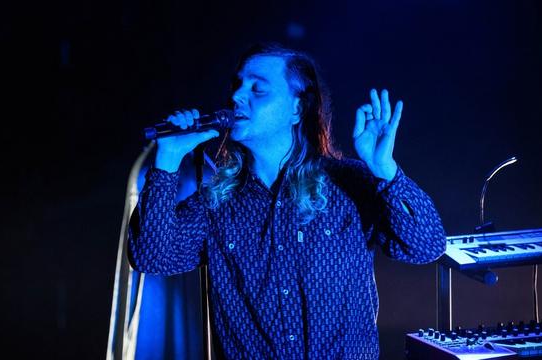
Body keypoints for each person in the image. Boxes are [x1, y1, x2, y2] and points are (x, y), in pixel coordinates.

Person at [128, 43, 446, 359]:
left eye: (258, 89)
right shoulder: (218, 202)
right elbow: (151, 258)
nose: (238, 96)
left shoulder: (348, 184)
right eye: (238, 85)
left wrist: (385, 172)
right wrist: (168, 158)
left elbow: (426, 245)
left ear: (297, 108)